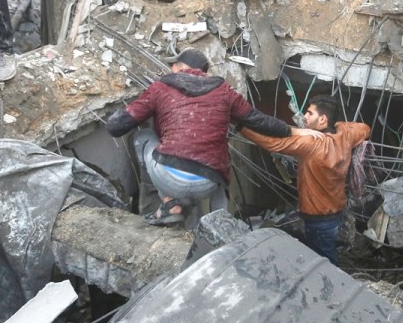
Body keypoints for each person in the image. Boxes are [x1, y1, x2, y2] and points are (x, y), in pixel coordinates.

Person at [105, 48, 303, 228]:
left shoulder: (160, 88)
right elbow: (257, 119)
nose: (170, 69)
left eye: (172, 66)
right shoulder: (224, 91)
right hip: (208, 185)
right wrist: (288, 130)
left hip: (169, 180)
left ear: (181, 67)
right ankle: (220, 224)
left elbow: (116, 127)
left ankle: (166, 203)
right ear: (205, 72)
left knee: (143, 136)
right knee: (216, 156)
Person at [242, 96, 371, 267]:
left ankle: (332, 289)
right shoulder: (345, 136)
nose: (304, 116)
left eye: (310, 113)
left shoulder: (313, 142)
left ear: (322, 119)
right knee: (325, 255)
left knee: (326, 264)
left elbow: (272, 143)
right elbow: (365, 128)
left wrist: (241, 128)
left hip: (318, 218)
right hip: (335, 213)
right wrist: (339, 127)